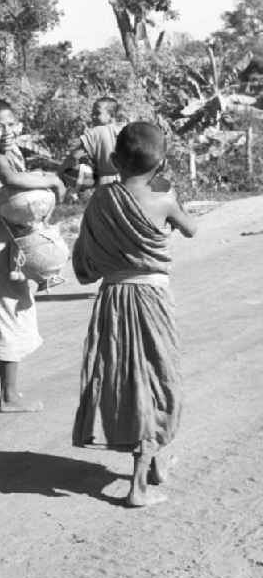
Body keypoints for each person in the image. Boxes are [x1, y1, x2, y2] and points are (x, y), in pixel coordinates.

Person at [71, 122, 197, 507]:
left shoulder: (101, 200)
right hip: (151, 299)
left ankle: (153, 463)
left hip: (112, 298)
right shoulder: (164, 199)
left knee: (127, 378)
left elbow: (84, 261)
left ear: (112, 160)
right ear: (162, 162)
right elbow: (190, 229)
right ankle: (138, 486)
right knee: (158, 378)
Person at [0, 98, 66, 410]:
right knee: (9, 311)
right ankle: (9, 397)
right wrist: (51, 179)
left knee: (7, 306)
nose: (7, 131)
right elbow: (12, 180)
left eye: (11, 123)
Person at [59, 97, 122, 190]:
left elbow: (74, 156)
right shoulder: (124, 131)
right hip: (124, 183)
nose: (93, 116)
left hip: (104, 185)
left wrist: (60, 174)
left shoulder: (96, 132)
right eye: (93, 113)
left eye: (97, 113)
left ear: (111, 115)